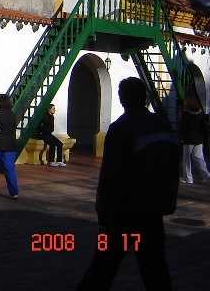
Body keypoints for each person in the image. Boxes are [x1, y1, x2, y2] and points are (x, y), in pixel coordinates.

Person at [77, 77, 181, 291]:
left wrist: (104, 214)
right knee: (156, 272)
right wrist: (169, 201)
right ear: (144, 97)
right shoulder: (163, 125)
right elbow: (172, 169)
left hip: (124, 216)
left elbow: (112, 176)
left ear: (122, 98)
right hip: (153, 215)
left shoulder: (121, 128)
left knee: (101, 270)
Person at [177, 97, 210, 184]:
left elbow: (183, 127)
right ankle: (206, 175)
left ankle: (188, 178)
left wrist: (181, 135)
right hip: (199, 138)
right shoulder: (200, 114)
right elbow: (204, 127)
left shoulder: (185, 114)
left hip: (188, 138)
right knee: (199, 157)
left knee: (186, 159)